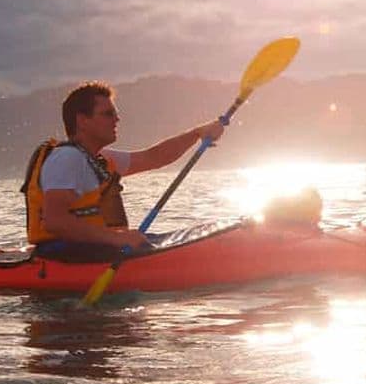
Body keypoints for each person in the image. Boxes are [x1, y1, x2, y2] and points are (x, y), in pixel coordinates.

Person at [21, 81, 225, 261]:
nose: (117, 119)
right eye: (108, 114)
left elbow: (154, 157)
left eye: (115, 113)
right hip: (64, 253)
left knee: (199, 233)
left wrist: (198, 133)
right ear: (82, 120)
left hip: (91, 248)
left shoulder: (98, 159)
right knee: (150, 244)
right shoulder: (67, 159)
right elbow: (55, 221)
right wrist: (117, 238)